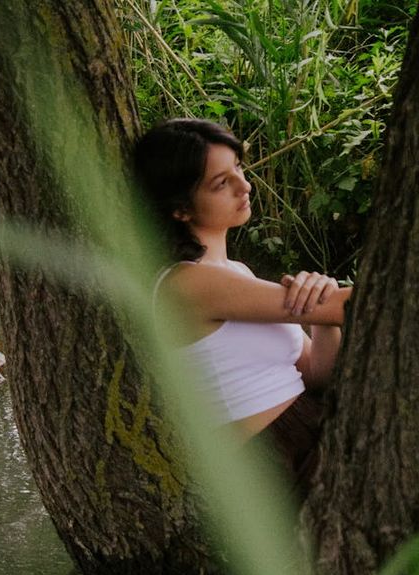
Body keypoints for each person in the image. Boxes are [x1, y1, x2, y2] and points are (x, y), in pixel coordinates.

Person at [134, 118, 351, 489]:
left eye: (238, 167)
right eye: (222, 183)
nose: (244, 185)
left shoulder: (236, 270)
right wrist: (327, 303)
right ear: (180, 209)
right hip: (271, 459)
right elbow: (351, 306)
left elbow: (317, 374)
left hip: (310, 427)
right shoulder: (186, 283)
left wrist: (322, 315)